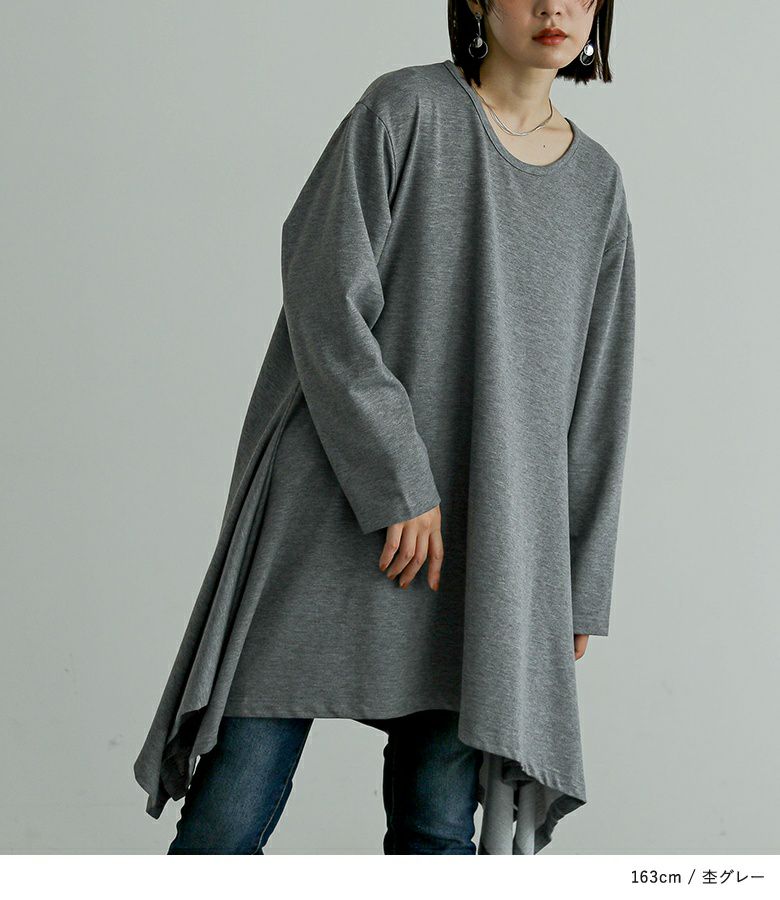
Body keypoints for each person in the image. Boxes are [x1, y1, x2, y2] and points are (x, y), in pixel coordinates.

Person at [134, 0, 636, 855]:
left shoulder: (598, 185)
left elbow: (598, 396)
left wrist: (578, 581)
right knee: (229, 810)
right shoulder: (406, 109)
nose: (555, 7)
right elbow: (323, 292)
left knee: (437, 828)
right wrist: (397, 481)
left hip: (488, 536)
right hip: (335, 493)